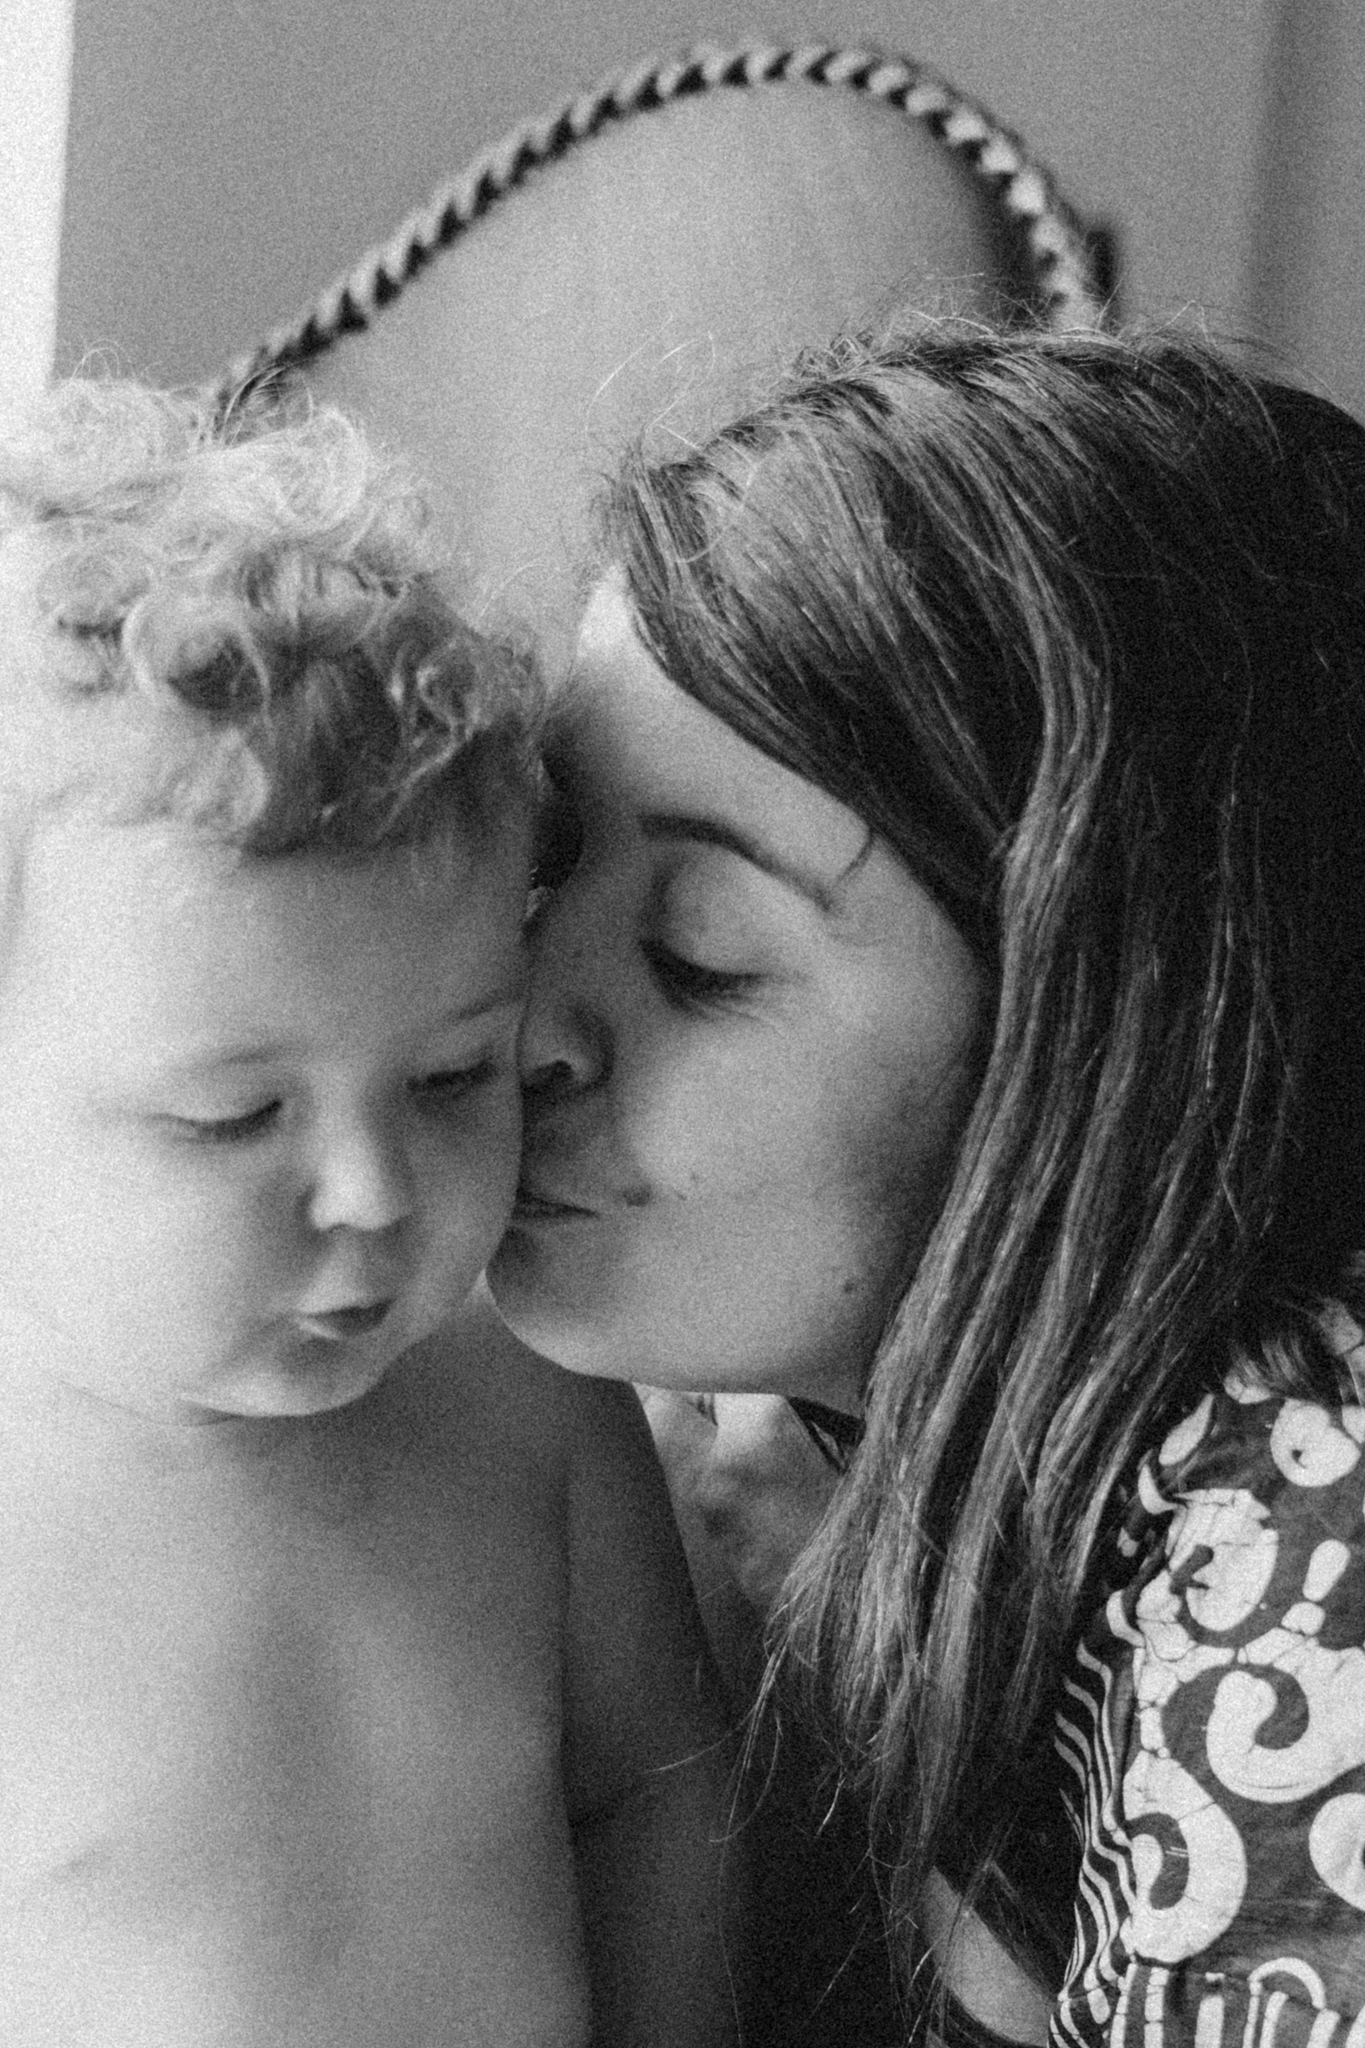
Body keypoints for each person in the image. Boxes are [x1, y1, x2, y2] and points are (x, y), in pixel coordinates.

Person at [488, 324, 1365, 2046]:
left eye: (698, 955)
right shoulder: (805, 1463)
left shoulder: (1304, 1585)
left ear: (1110, 1052)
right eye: (536, 868)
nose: (517, 1024)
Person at [0, 377, 741, 2048]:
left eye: (453, 1077)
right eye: (231, 1115)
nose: (374, 1193)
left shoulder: (531, 1404)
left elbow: (653, 1788)